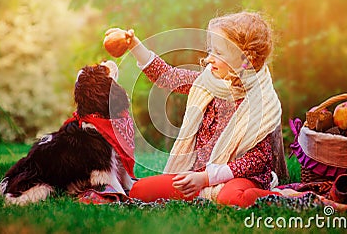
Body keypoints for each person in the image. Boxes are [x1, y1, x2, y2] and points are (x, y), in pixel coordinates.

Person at [117, 11, 286, 207]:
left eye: (218, 53)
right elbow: (168, 76)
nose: (209, 59)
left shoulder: (261, 101)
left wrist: (206, 178)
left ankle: (287, 196)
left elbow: (258, 159)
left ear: (244, 60)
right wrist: (135, 46)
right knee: (139, 191)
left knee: (230, 198)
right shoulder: (208, 81)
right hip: (199, 174)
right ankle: (207, 191)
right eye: (210, 51)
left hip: (240, 177)